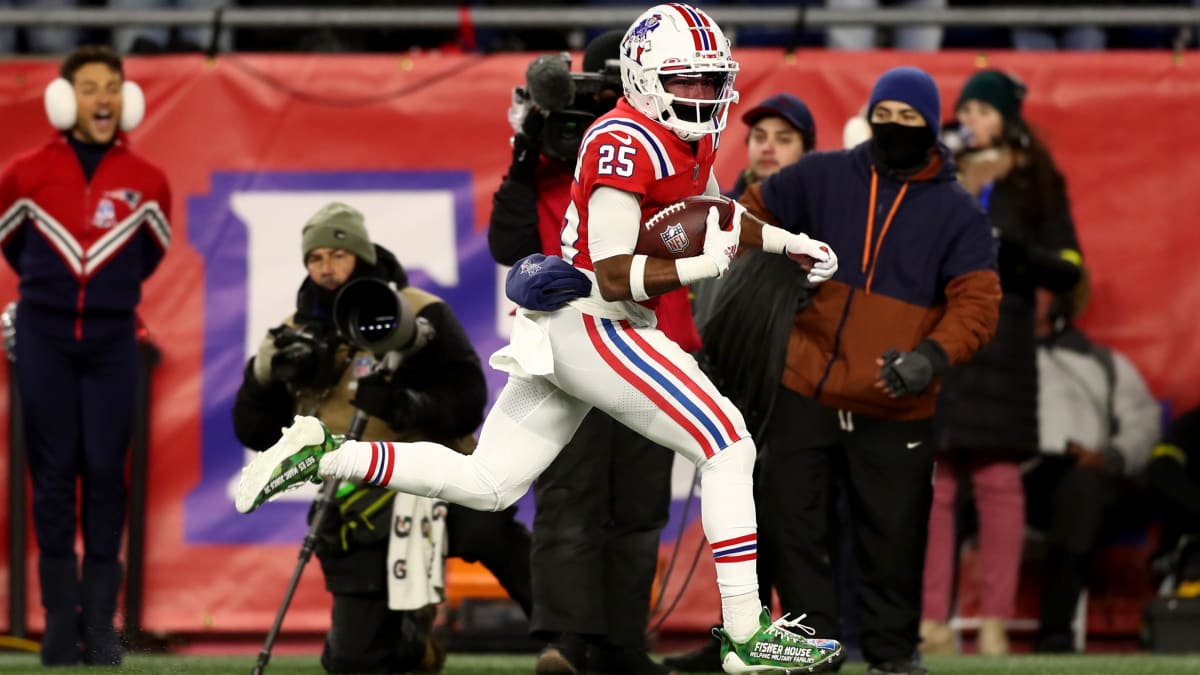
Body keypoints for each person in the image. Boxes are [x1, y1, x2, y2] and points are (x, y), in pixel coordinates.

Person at [235, 5, 846, 674]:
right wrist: (708, 263)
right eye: (688, 81)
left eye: (709, 81)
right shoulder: (623, 140)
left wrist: (786, 243)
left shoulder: (682, 137)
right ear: (643, 79)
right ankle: (746, 633)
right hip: (595, 320)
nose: (702, 96)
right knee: (728, 444)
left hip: (571, 327)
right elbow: (616, 276)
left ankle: (324, 456)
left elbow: (716, 214)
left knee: (489, 481)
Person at [736, 66, 1003, 675]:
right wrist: (776, 278)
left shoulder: (959, 215)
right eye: (885, 114)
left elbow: (978, 303)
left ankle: (891, 656)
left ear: (932, 128)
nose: (894, 127)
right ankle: (814, 652)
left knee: (894, 540)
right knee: (792, 527)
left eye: (910, 119)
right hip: (804, 384)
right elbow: (743, 219)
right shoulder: (822, 175)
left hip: (896, 397)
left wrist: (931, 358)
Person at [231, 202, 535, 673]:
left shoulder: (416, 310)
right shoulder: (296, 331)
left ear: (361, 254)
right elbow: (256, 433)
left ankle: (570, 639)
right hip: (356, 498)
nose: (326, 269)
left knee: (491, 529)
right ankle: (414, 645)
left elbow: (469, 400)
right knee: (352, 662)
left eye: (338, 254)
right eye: (315, 259)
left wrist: (402, 405)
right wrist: (261, 376)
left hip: (434, 475)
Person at [488, 31, 677, 675]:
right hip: (570, 343)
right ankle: (567, 643)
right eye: (598, 89)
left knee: (639, 504)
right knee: (571, 496)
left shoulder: (671, 149)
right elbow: (507, 242)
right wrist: (525, 149)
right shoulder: (546, 162)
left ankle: (621, 644)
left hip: (649, 339)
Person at [0, 45, 170, 667]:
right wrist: (52, 302)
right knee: (52, 475)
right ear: (64, 98)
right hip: (43, 338)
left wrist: (99, 301)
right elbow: (14, 247)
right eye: (91, 87)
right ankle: (58, 625)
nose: (104, 99)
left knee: (104, 471)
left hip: (112, 343)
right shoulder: (22, 173)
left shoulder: (149, 181)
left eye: (114, 88)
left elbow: (150, 255)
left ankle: (101, 627)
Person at [920, 68, 1084, 657]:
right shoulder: (937, 169)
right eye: (965, 110)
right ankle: (931, 622)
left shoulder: (1035, 178)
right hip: (943, 335)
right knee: (936, 484)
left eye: (983, 111)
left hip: (1004, 343)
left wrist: (1014, 253)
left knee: (997, 479)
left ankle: (994, 621)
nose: (971, 120)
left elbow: (1069, 266)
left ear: (1008, 119)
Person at [665, 91, 819, 674]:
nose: (769, 148)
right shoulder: (719, 211)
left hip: (797, 398)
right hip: (729, 389)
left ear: (809, 149)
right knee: (739, 522)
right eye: (760, 137)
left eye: (785, 137)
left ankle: (809, 637)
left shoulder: (816, 216)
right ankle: (738, 635)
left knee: (795, 530)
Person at [1023, 280, 1161, 653]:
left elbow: (1143, 420)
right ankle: (920, 627)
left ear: (1059, 301)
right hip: (1011, 479)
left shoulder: (1100, 361)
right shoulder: (987, 360)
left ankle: (1055, 633)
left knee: (1081, 488)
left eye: (1036, 287)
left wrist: (1110, 457)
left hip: (1085, 476)